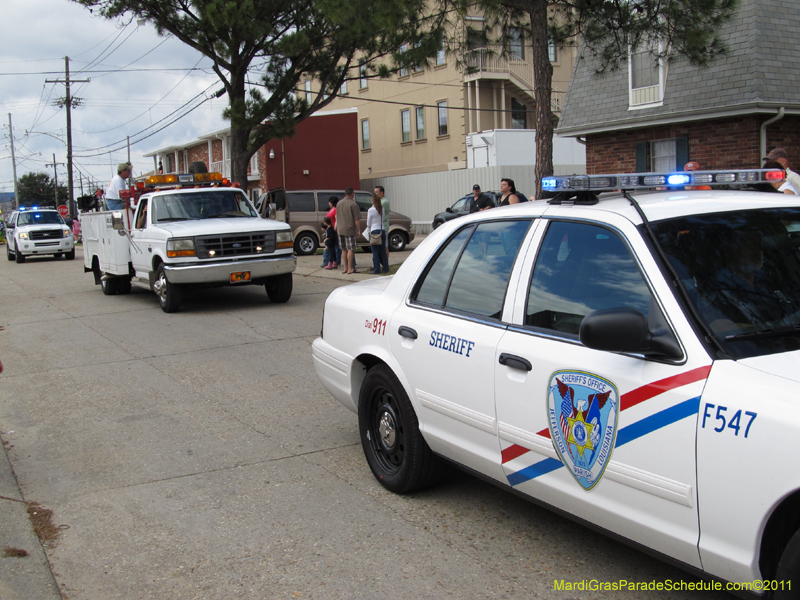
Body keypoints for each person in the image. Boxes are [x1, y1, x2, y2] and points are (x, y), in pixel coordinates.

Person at [336, 187, 361, 274]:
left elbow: (337, 216)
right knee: (350, 248)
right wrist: (358, 230)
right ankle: (350, 268)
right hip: (349, 229)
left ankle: (345, 267)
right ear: (352, 194)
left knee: (343, 249)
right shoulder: (353, 204)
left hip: (340, 229)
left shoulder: (339, 203)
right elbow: (356, 219)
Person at [367, 192, 390, 274]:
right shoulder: (382, 209)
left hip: (374, 231)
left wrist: (369, 230)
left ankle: (377, 269)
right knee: (383, 251)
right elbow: (383, 219)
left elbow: (368, 223)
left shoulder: (371, 210)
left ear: (372, 200)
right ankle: (386, 268)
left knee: (375, 251)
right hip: (382, 230)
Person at [326, 196, 342, 267]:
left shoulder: (335, 210)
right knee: (330, 246)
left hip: (334, 230)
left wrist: (334, 229)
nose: (329, 203)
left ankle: (336, 261)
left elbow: (336, 220)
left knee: (335, 246)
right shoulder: (331, 210)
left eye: (330, 202)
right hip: (329, 229)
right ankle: (330, 261)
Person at [374, 185, 390, 251]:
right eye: (375, 192)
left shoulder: (384, 202)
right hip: (377, 226)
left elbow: (375, 209)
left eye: (377, 192)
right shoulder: (377, 201)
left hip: (383, 226)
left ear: (381, 193)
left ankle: (385, 260)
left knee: (385, 246)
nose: (375, 194)